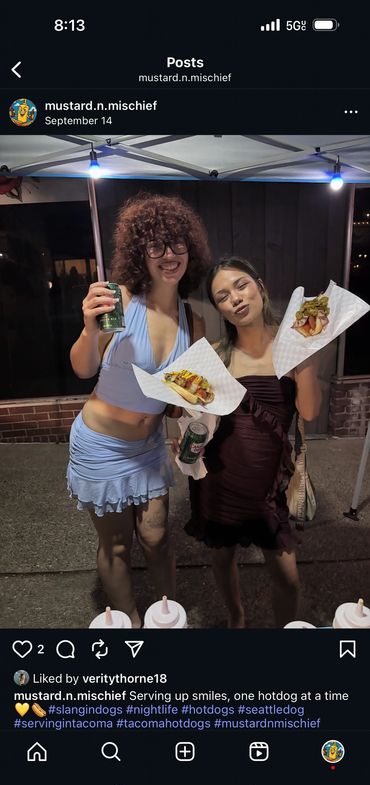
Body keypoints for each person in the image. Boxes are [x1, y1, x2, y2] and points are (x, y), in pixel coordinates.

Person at [67, 193, 211, 627]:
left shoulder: (193, 318)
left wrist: (189, 412)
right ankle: (129, 624)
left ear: (191, 249)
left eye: (177, 244)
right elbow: (83, 368)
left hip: (148, 446)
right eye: (156, 246)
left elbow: (174, 400)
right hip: (101, 445)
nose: (169, 255)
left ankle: (166, 618)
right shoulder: (119, 300)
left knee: (156, 536)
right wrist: (90, 329)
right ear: (139, 251)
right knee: (116, 546)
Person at [179, 256, 322, 629]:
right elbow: (192, 415)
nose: (236, 299)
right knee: (222, 556)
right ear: (220, 309)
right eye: (223, 296)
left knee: (288, 577)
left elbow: (307, 411)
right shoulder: (215, 354)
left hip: (267, 480)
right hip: (220, 475)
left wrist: (306, 360)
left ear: (259, 286)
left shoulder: (294, 348)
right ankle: (236, 620)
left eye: (241, 285)